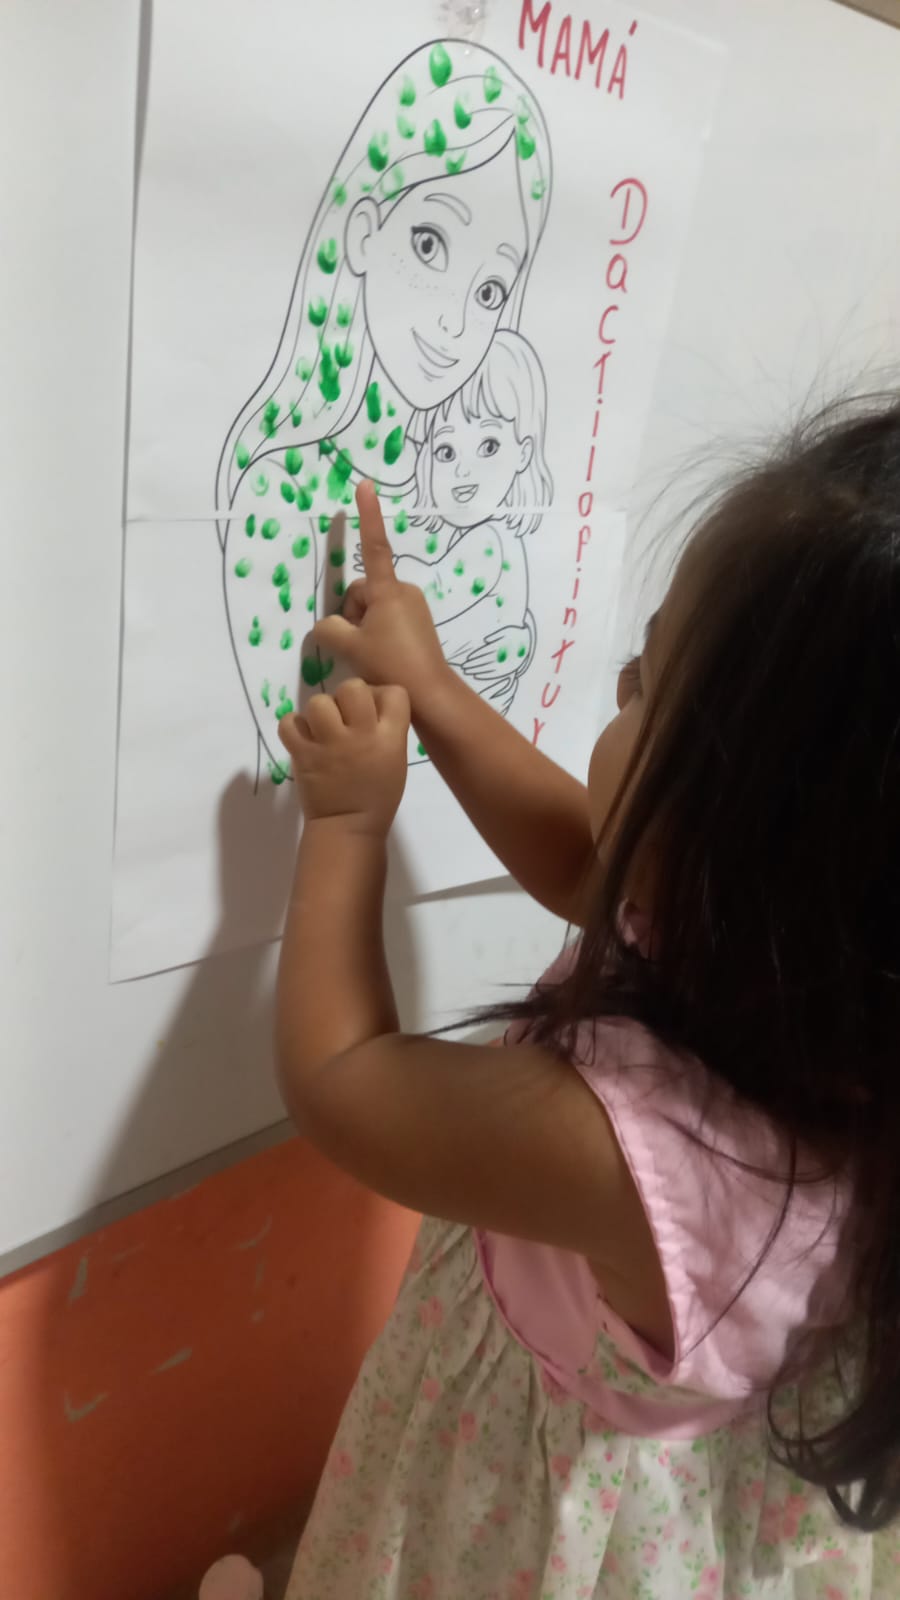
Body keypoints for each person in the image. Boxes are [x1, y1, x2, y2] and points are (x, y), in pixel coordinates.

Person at [207, 394, 900, 1598]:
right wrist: (433, 688)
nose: (617, 680)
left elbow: (344, 1079)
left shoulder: (643, 1153)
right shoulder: (819, 1002)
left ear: (749, 845)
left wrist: (348, 824)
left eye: (647, 688)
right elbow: (592, 862)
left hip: (528, 1511)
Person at [214, 41, 551, 780]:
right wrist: (458, 691)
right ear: (364, 232)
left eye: (490, 290)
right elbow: (292, 762)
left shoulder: (469, 491)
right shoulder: (281, 492)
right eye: (430, 243)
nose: (457, 323)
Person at [397, 329, 552, 724]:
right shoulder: (480, 534)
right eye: (446, 452)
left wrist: (392, 568)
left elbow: (432, 594)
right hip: (466, 710)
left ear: (524, 452)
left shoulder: (489, 540)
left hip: (466, 716)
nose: (463, 471)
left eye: (488, 446)